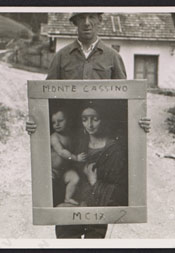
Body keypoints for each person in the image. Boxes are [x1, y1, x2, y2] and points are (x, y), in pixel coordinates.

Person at [26, 12, 151, 238]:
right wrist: (35, 122)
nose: (86, 23)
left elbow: (126, 103)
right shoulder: (62, 57)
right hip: (73, 143)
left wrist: (139, 121)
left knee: (96, 225)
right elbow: (45, 102)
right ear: (74, 23)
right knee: (66, 229)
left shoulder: (112, 57)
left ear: (100, 21)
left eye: (92, 17)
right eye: (81, 18)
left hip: (99, 148)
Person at [50, 109, 86, 205]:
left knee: (75, 178)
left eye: (60, 121)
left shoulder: (70, 136)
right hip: (53, 171)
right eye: (53, 122)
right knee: (50, 186)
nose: (57, 124)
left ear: (68, 121)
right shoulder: (54, 137)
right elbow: (61, 152)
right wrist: (76, 158)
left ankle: (68, 198)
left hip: (64, 171)